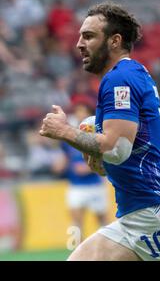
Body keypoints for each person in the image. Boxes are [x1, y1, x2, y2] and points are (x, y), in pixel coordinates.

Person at [39, 2, 160, 261]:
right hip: (137, 218)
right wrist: (106, 159)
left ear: (114, 41)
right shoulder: (138, 73)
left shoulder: (118, 78)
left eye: (88, 36)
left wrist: (64, 131)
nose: (79, 43)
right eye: (80, 36)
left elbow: (116, 149)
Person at [52, 102, 109, 239]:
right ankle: (77, 252)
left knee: (103, 222)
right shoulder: (70, 136)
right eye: (78, 111)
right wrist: (60, 165)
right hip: (76, 186)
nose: (80, 114)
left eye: (83, 111)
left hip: (95, 185)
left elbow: (107, 158)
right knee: (76, 222)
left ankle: (105, 251)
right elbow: (65, 157)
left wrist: (89, 168)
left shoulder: (98, 135)